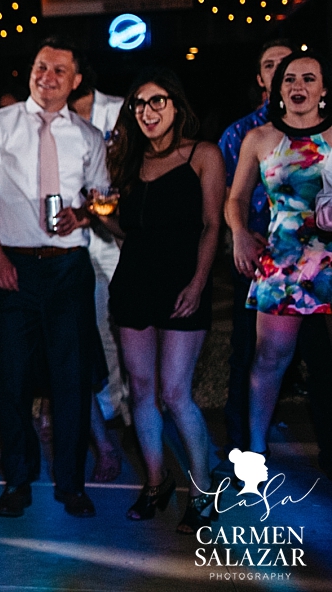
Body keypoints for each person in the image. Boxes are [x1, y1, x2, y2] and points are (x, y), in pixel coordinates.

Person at [0, 36, 108, 519]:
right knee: (10, 381)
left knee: (72, 380)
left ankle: (72, 485)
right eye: (40, 68)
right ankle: (18, 481)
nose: (46, 78)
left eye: (58, 71)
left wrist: (82, 216)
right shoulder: (0, 124)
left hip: (68, 269)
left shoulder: (88, 137)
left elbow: (102, 198)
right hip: (12, 267)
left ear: (76, 80)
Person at [99, 68, 224, 532]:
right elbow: (130, 230)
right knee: (141, 390)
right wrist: (100, 217)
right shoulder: (128, 161)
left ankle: (204, 490)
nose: (148, 112)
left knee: (175, 391)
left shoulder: (202, 155)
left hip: (182, 283)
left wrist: (197, 283)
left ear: (176, 106)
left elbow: (213, 224)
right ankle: (155, 482)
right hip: (134, 283)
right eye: (140, 104)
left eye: (157, 102)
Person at [218, 40, 332, 481]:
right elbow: (236, 198)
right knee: (269, 359)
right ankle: (255, 455)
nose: (298, 85)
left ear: (323, 88)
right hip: (283, 255)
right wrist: (240, 235)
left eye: (308, 78)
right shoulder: (259, 138)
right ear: (275, 88)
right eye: (290, 78)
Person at [69, 64, 127, 482]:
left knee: (121, 329)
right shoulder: (50, 120)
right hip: (74, 240)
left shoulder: (122, 110)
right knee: (85, 332)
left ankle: (122, 408)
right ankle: (100, 408)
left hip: (117, 238)